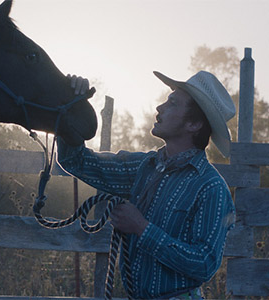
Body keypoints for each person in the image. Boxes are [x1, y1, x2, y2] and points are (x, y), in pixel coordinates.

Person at [59, 71, 236, 299]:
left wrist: (142, 228)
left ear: (194, 124)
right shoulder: (144, 167)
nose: (159, 108)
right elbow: (76, 161)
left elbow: (203, 264)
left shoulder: (211, 188)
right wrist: (69, 103)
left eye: (172, 103)